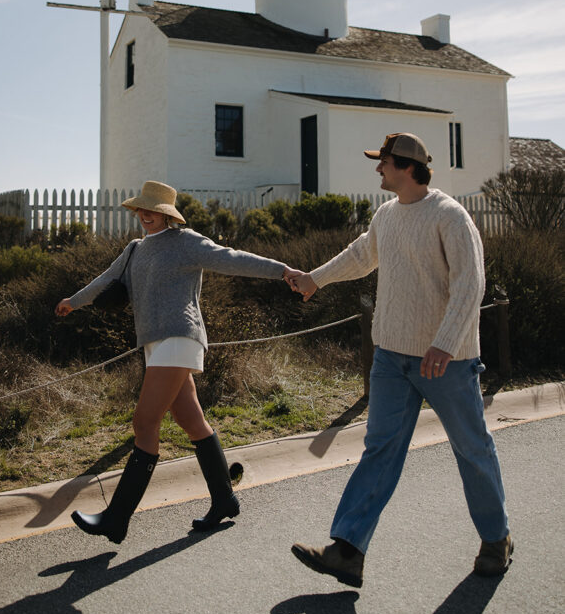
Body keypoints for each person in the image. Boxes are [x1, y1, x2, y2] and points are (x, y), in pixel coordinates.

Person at [285, 133, 512, 587]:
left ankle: (495, 539)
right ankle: (347, 550)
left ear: (407, 166)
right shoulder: (386, 215)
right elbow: (360, 256)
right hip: (390, 356)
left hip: (445, 361)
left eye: (383, 162)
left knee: (471, 448)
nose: (378, 170)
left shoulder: (450, 216)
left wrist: (445, 342)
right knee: (381, 449)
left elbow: (471, 284)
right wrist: (315, 279)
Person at [56, 180, 300, 546]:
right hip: (156, 344)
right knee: (191, 421)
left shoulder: (186, 241)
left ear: (167, 214)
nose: (144, 215)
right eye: (141, 209)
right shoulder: (135, 250)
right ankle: (224, 499)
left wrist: (282, 269)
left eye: (152, 210)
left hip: (180, 337)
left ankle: (116, 519)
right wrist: (74, 302)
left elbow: (232, 259)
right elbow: (106, 280)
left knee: (144, 421)